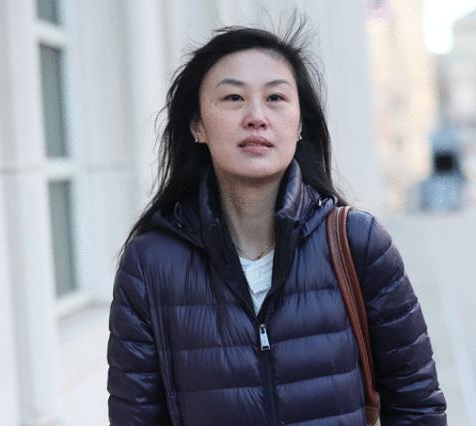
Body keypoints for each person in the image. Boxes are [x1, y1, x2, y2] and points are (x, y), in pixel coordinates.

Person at [107, 21, 447, 426]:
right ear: (198, 125)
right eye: (233, 97)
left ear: (300, 124)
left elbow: (417, 408)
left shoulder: (359, 244)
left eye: (275, 98)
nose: (256, 117)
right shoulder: (149, 265)